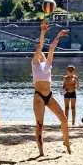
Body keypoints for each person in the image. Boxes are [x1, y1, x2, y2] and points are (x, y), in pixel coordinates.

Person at [32, 21, 71, 156]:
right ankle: (41, 151)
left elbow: (52, 48)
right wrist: (43, 32)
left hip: (49, 96)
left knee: (64, 119)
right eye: (39, 53)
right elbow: (41, 46)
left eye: (41, 53)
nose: (41, 53)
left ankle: (66, 142)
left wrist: (59, 35)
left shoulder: (48, 64)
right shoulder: (35, 64)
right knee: (40, 125)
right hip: (38, 96)